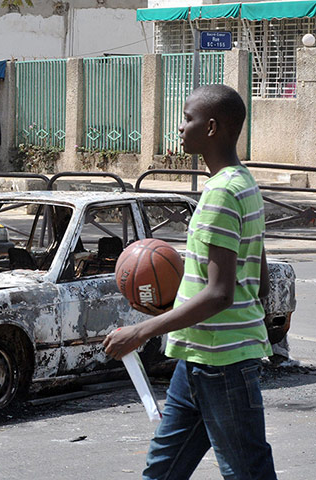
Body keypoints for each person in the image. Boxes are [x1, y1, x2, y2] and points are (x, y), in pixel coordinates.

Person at [103, 84, 276, 480]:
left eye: (187, 118)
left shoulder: (220, 194)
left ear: (211, 127)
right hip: (197, 359)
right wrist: (177, 303)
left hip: (223, 365)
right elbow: (259, 284)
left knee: (247, 472)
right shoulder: (245, 184)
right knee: (161, 472)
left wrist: (141, 330)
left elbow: (219, 293)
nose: (180, 128)